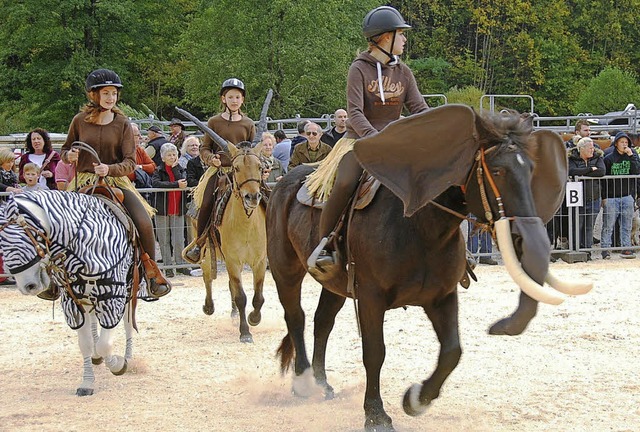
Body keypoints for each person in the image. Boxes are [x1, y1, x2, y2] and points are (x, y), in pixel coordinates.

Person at [307, 5, 429, 270]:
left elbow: (419, 109)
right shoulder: (358, 70)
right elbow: (355, 113)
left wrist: (435, 127)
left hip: (394, 144)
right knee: (345, 182)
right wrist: (375, 140)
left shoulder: (404, 72)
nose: (405, 40)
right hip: (360, 142)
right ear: (385, 37)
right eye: (401, 34)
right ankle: (325, 244)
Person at [60, 68, 170, 298]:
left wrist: (109, 169)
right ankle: (56, 275)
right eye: (106, 93)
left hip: (115, 181)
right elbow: (65, 149)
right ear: (94, 95)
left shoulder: (122, 123)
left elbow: (131, 162)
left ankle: (151, 274)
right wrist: (69, 155)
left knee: (143, 219)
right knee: (60, 222)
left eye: (114, 93)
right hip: (83, 179)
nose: (111, 97)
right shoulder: (79, 121)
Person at [183, 77, 255, 263]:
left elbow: (252, 150)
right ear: (223, 99)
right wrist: (210, 159)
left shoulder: (248, 123)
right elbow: (204, 147)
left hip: (243, 173)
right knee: (206, 201)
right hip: (220, 171)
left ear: (242, 100)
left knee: (265, 197)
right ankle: (199, 243)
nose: (234, 100)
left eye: (237, 97)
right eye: (230, 97)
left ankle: (270, 239)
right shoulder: (214, 121)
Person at [600, 132, 640, 259]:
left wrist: (632, 156)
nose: (624, 145)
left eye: (626, 142)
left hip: (627, 195)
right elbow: (604, 180)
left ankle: (626, 247)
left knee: (627, 224)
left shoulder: (631, 156)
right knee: (608, 225)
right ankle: (605, 249)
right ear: (616, 143)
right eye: (622, 142)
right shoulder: (608, 158)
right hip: (611, 197)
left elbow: (636, 171)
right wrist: (604, 197)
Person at [152, 143, 189, 277]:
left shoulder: (181, 169)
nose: (172, 157)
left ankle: (180, 264)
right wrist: (175, 185)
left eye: (174, 154)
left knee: (179, 239)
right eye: (169, 155)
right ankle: (167, 266)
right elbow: (156, 183)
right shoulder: (158, 170)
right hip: (163, 209)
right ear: (163, 157)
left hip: (178, 209)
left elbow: (184, 182)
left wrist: (175, 171)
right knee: (164, 239)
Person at [567, 137, 605, 253]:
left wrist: (584, 172)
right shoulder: (572, 158)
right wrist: (590, 169)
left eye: (593, 147)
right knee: (577, 225)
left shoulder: (597, 157)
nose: (592, 150)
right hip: (577, 199)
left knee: (589, 226)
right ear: (581, 149)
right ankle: (575, 250)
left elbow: (602, 171)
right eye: (590, 148)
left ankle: (587, 251)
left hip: (593, 197)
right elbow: (571, 171)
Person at [0, 148, 20, 286]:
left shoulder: (12, 174)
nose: (11, 164)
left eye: (12, 161)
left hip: (8, 210)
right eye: (8, 161)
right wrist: (9, 189)